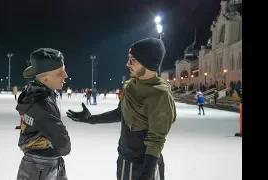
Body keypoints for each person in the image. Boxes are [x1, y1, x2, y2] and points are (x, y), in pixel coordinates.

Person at [67, 38, 176, 180]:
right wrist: (91, 119)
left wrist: (147, 174)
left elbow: (156, 139)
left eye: (133, 60)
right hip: (124, 159)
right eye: (128, 59)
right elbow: (121, 113)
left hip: (143, 165)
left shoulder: (159, 94)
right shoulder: (130, 86)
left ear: (147, 63)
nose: (127, 64)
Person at [16, 48, 71, 180]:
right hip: (43, 169)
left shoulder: (31, 93)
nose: (65, 75)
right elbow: (64, 145)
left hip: (33, 166)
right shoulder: (42, 103)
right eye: (60, 73)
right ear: (45, 78)